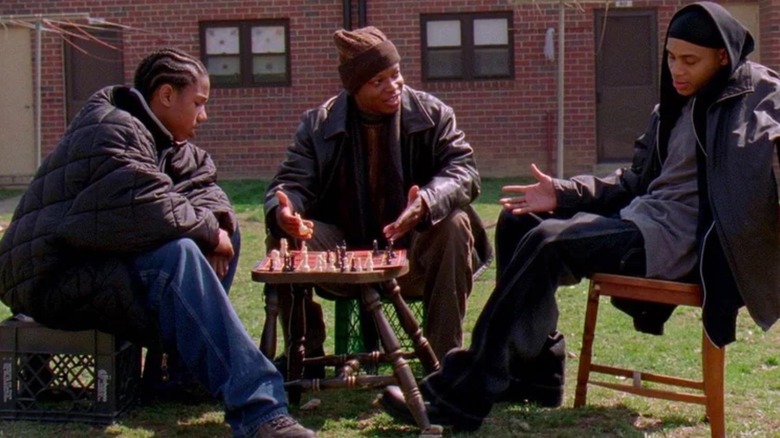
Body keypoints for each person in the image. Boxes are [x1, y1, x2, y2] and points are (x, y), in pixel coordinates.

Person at [380, 1, 780, 431]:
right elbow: (631, 182)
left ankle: (463, 394)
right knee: (520, 222)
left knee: (550, 242)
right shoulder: (673, 106)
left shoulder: (757, 96)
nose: (676, 70)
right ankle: (536, 374)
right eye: (670, 57)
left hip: (683, 246)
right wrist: (563, 193)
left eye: (689, 61)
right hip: (641, 222)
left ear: (723, 56)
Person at [0, 48, 315, 438]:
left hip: (97, 271)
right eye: (198, 103)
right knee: (180, 253)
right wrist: (206, 232)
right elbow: (140, 202)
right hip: (53, 277)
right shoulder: (110, 127)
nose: (204, 115)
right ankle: (260, 411)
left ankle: (181, 375)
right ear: (166, 96)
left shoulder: (169, 143)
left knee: (218, 235)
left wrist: (214, 228)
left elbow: (208, 192)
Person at [263, 26, 492, 365]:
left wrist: (427, 201)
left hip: (415, 254)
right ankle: (304, 352)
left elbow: (464, 172)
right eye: (378, 81)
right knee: (282, 237)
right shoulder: (318, 124)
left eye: (395, 75)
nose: (393, 87)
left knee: (455, 223)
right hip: (346, 253)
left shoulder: (433, 115)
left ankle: (445, 364)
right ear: (355, 87)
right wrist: (285, 210)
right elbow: (292, 182)